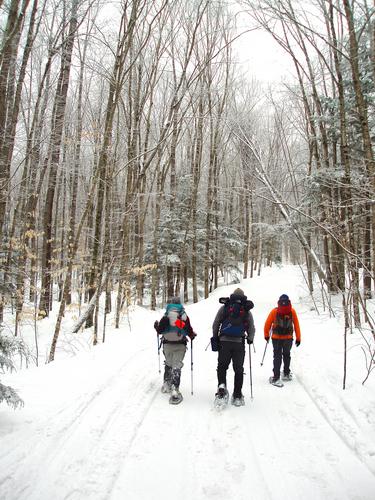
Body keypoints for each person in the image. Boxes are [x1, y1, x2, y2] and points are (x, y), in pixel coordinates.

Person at [212, 287, 255, 406]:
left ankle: (222, 388)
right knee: (238, 369)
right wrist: (250, 338)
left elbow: (216, 323)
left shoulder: (225, 307)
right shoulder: (246, 309)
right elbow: (251, 326)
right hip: (239, 343)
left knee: (222, 366)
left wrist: (215, 336)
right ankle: (237, 395)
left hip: (224, 342)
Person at [154, 296, 196, 404]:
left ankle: (166, 384)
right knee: (177, 365)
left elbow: (160, 330)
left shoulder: (166, 314)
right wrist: (192, 335)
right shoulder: (182, 315)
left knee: (168, 363)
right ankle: (174, 389)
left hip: (167, 344)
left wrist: (156, 326)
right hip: (179, 344)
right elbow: (188, 329)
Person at [264, 294, 301, 386]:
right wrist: (298, 338)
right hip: (288, 338)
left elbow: (267, 324)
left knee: (277, 356)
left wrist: (266, 335)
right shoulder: (292, 311)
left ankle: (276, 377)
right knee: (286, 355)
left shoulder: (274, 311)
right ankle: (286, 373)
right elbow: (296, 325)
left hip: (276, 338)